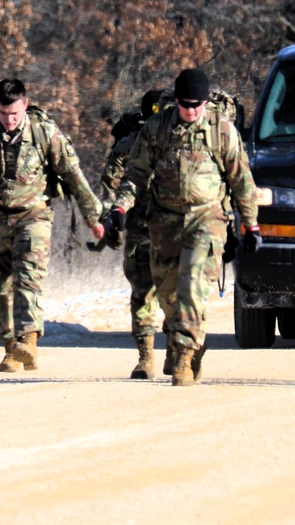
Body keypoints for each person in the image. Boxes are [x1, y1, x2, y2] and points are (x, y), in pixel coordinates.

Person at [108, 68, 259, 386]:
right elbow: (135, 173)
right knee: (167, 296)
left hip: (207, 220)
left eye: (197, 105)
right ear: (175, 101)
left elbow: (241, 180)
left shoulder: (221, 130)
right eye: (186, 104)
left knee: (192, 285)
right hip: (163, 222)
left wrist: (251, 225)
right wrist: (121, 206)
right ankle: (194, 343)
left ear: (206, 102)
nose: (191, 111)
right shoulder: (157, 128)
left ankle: (183, 356)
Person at [0, 78, 104, 373]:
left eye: (14, 113)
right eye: (3, 113)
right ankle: (11, 348)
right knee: (1, 283)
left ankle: (29, 339)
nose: (9, 120)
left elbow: (73, 176)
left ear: (25, 104)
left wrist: (93, 217)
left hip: (34, 215)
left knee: (28, 275)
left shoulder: (44, 133)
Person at [98, 89, 165, 379]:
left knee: (177, 294)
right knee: (142, 292)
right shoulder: (127, 145)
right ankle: (146, 356)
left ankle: (178, 348)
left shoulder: (182, 143)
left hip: (175, 229)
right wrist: (109, 220)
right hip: (139, 229)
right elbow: (110, 187)